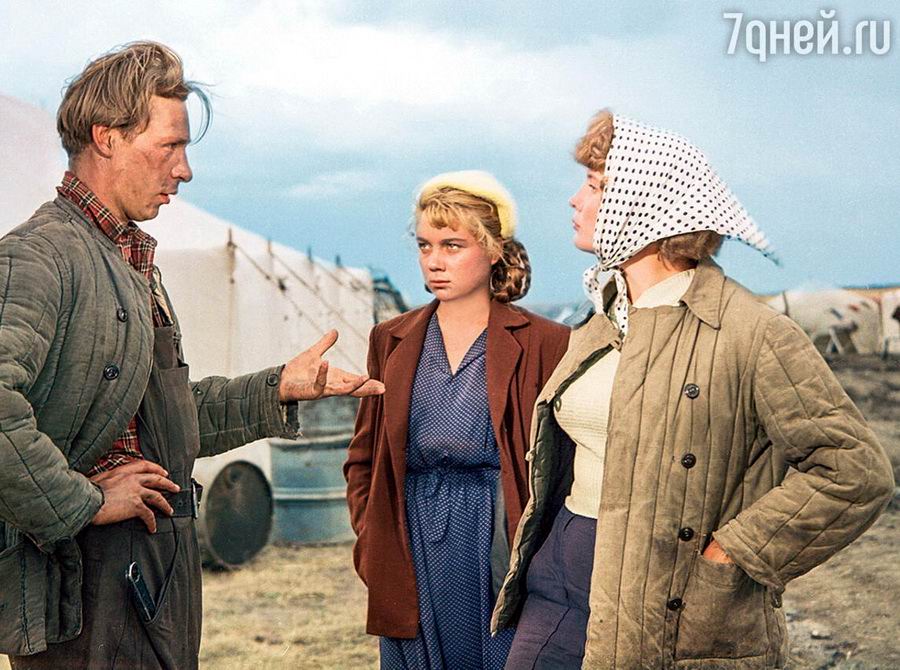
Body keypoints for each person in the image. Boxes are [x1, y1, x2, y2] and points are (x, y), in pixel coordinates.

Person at [0, 41, 383, 670]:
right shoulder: (41, 257)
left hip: (154, 568)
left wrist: (278, 387)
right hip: (86, 582)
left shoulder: (128, 259)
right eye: (170, 146)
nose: (185, 170)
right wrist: (84, 502)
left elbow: (164, 423)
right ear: (107, 139)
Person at [492, 110, 895, 669]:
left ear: (642, 205)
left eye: (595, 186)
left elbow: (855, 470)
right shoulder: (603, 321)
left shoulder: (751, 332)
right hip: (560, 572)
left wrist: (734, 551)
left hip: (669, 596)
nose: (575, 200)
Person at [344, 171, 569, 669]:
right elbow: (363, 457)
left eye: (452, 245)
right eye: (425, 246)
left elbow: (562, 466)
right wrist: (371, 537)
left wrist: (542, 558)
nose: (435, 261)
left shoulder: (546, 342)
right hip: (410, 536)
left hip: (497, 533)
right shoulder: (392, 338)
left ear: (493, 250)